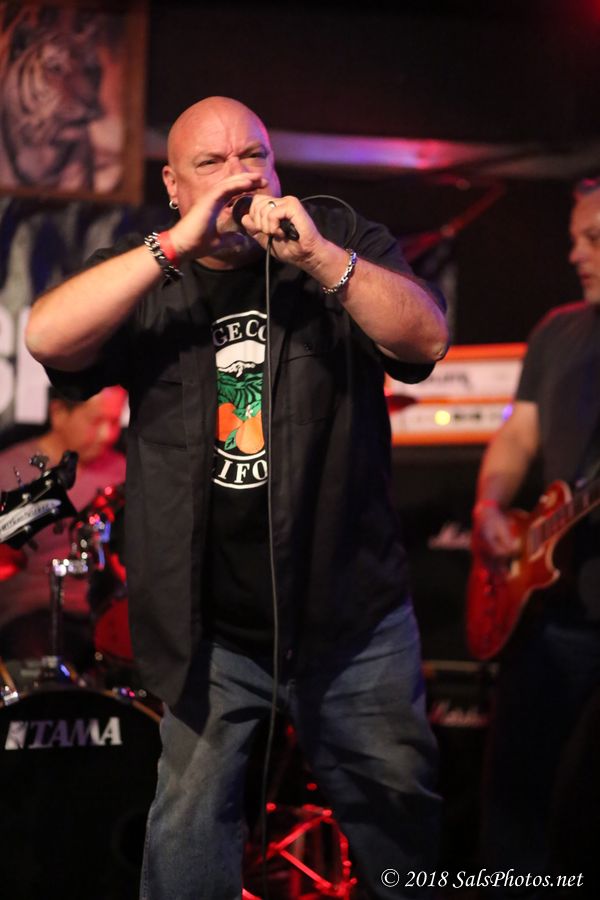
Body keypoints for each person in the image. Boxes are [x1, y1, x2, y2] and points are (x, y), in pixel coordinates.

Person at [25, 96, 449, 899]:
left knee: (401, 831)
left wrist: (320, 258)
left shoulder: (335, 236)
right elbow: (46, 335)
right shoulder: (149, 271)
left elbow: (425, 338)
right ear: (173, 185)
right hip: (210, 634)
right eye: (211, 164)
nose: (239, 176)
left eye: (253, 156)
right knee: (187, 837)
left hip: (352, 621)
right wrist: (176, 245)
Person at [471, 177, 600, 895]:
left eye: (594, 239)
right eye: (575, 238)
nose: (576, 254)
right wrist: (491, 504)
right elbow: (520, 435)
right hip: (552, 612)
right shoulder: (558, 330)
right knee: (516, 800)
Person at [0, 385, 127, 673]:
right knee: (42, 672)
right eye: (96, 421)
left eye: (114, 421)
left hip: (108, 614)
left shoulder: (124, 471)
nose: (107, 434)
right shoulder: (8, 471)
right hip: (31, 614)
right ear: (58, 413)